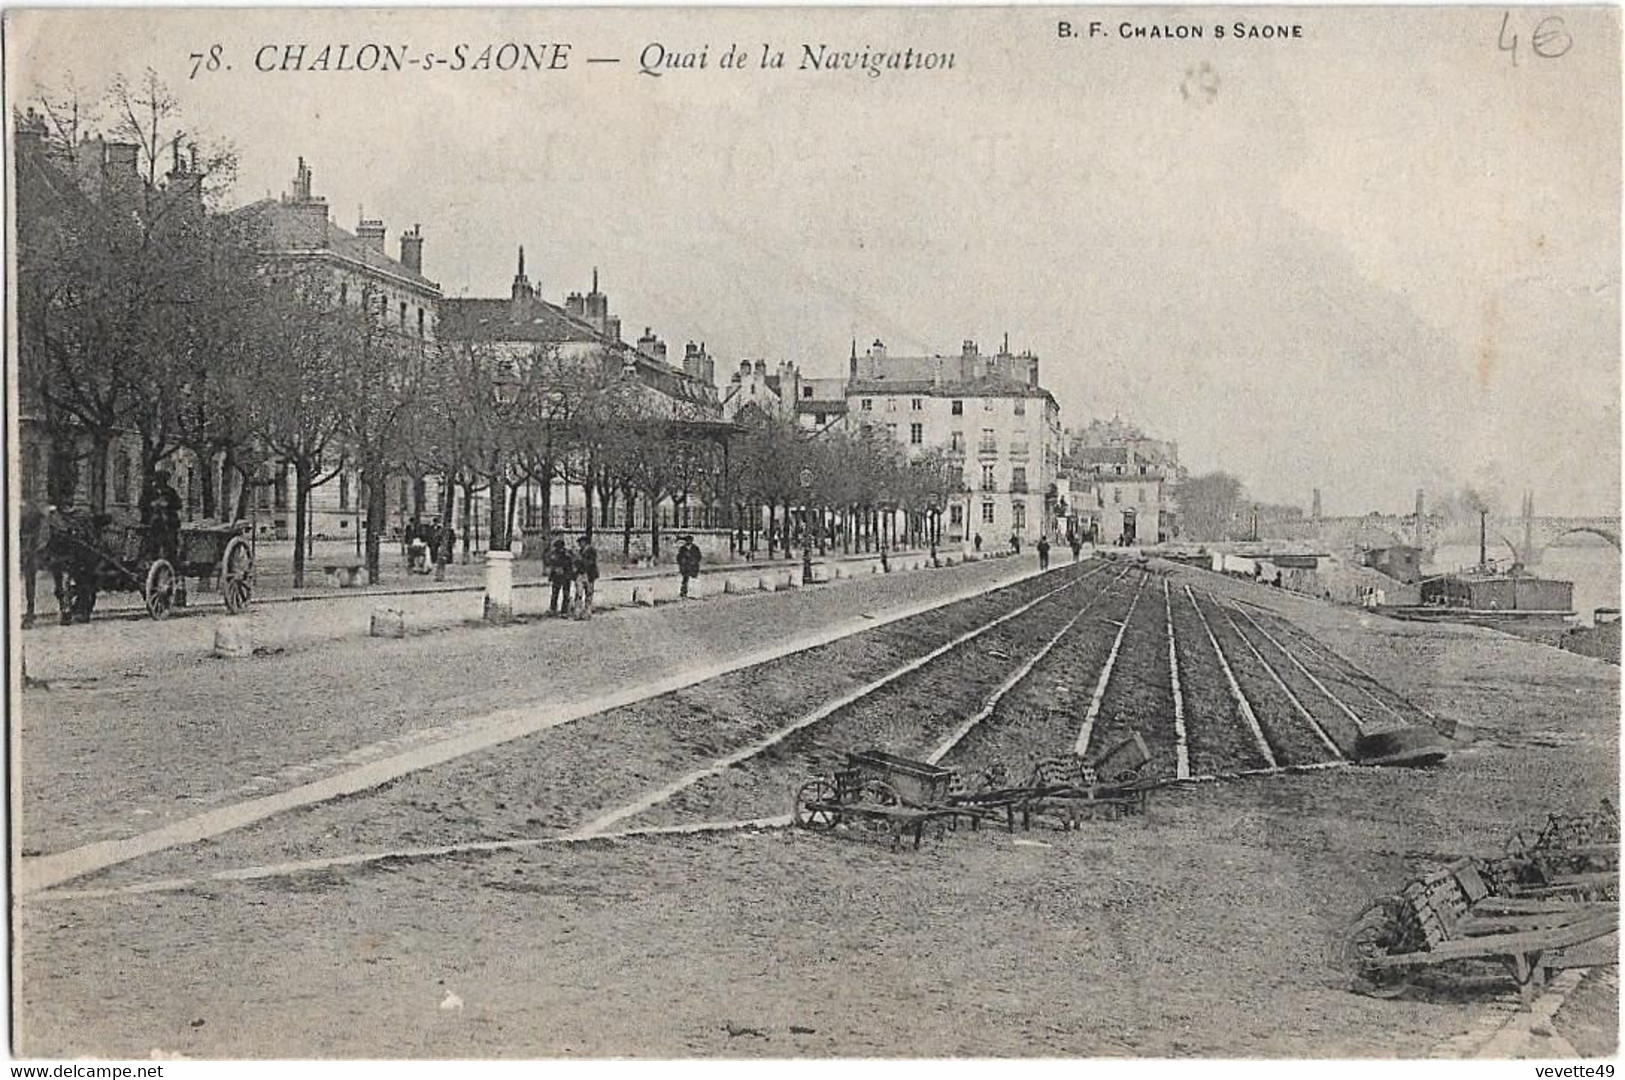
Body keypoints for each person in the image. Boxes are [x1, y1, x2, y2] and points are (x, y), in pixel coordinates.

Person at [139, 469, 183, 564]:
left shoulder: (171, 492)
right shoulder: (149, 492)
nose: (161, 482)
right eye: (159, 479)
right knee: (151, 546)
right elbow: (141, 505)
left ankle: (171, 565)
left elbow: (178, 505)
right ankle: (152, 564)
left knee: (170, 546)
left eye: (163, 480)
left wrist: (168, 505)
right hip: (153, 525)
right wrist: (152, 504)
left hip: (168, 525)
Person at [573, 535, 599, 619]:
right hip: (580, 574)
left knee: (589, 593)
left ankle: (587, 611)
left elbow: (590, 563)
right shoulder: (580, 551)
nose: (579, 544)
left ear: (585, 542)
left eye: (581, 543)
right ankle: (578, 611)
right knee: (579, 593)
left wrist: (580, 560)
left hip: (589, 574)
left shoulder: (591, 551)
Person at [547, 538, 575, 616]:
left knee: (565, 593)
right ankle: (553, 608)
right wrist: (551, 575)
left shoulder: (567, 555)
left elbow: (569, 565)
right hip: (557, 577)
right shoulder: (554, 555)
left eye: (559, 547)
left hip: (565, 576)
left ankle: (564, 610)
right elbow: (552, 565)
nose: (558, 549)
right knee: (555, 593)